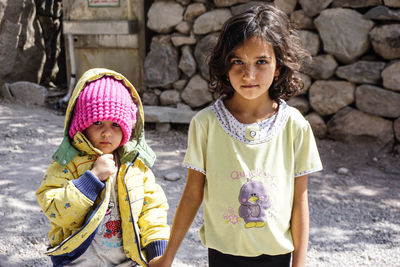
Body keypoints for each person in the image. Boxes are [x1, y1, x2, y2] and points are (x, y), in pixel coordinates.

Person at [149, 4, 322, 267]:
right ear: (224, 65)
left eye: (261, 62)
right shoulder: (205, 124)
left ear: (278, 66)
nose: (248, 74)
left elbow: (300, 201)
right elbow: (193, 194)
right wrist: (168, 257)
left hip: (277, 256)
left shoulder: (295, 126)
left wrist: (298, 265)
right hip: (222, 255)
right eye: (237, 61)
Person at [36, 68, 170, 267]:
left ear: (126, 128)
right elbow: (54, 209)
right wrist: (91, 179)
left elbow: (153, 207)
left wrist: (156, 248)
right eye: (97, 122)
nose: (107, 133)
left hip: (126, 261)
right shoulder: (68, 163)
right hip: (78, 260)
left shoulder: (134, 165)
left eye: (116, 124)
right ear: (82, 124)